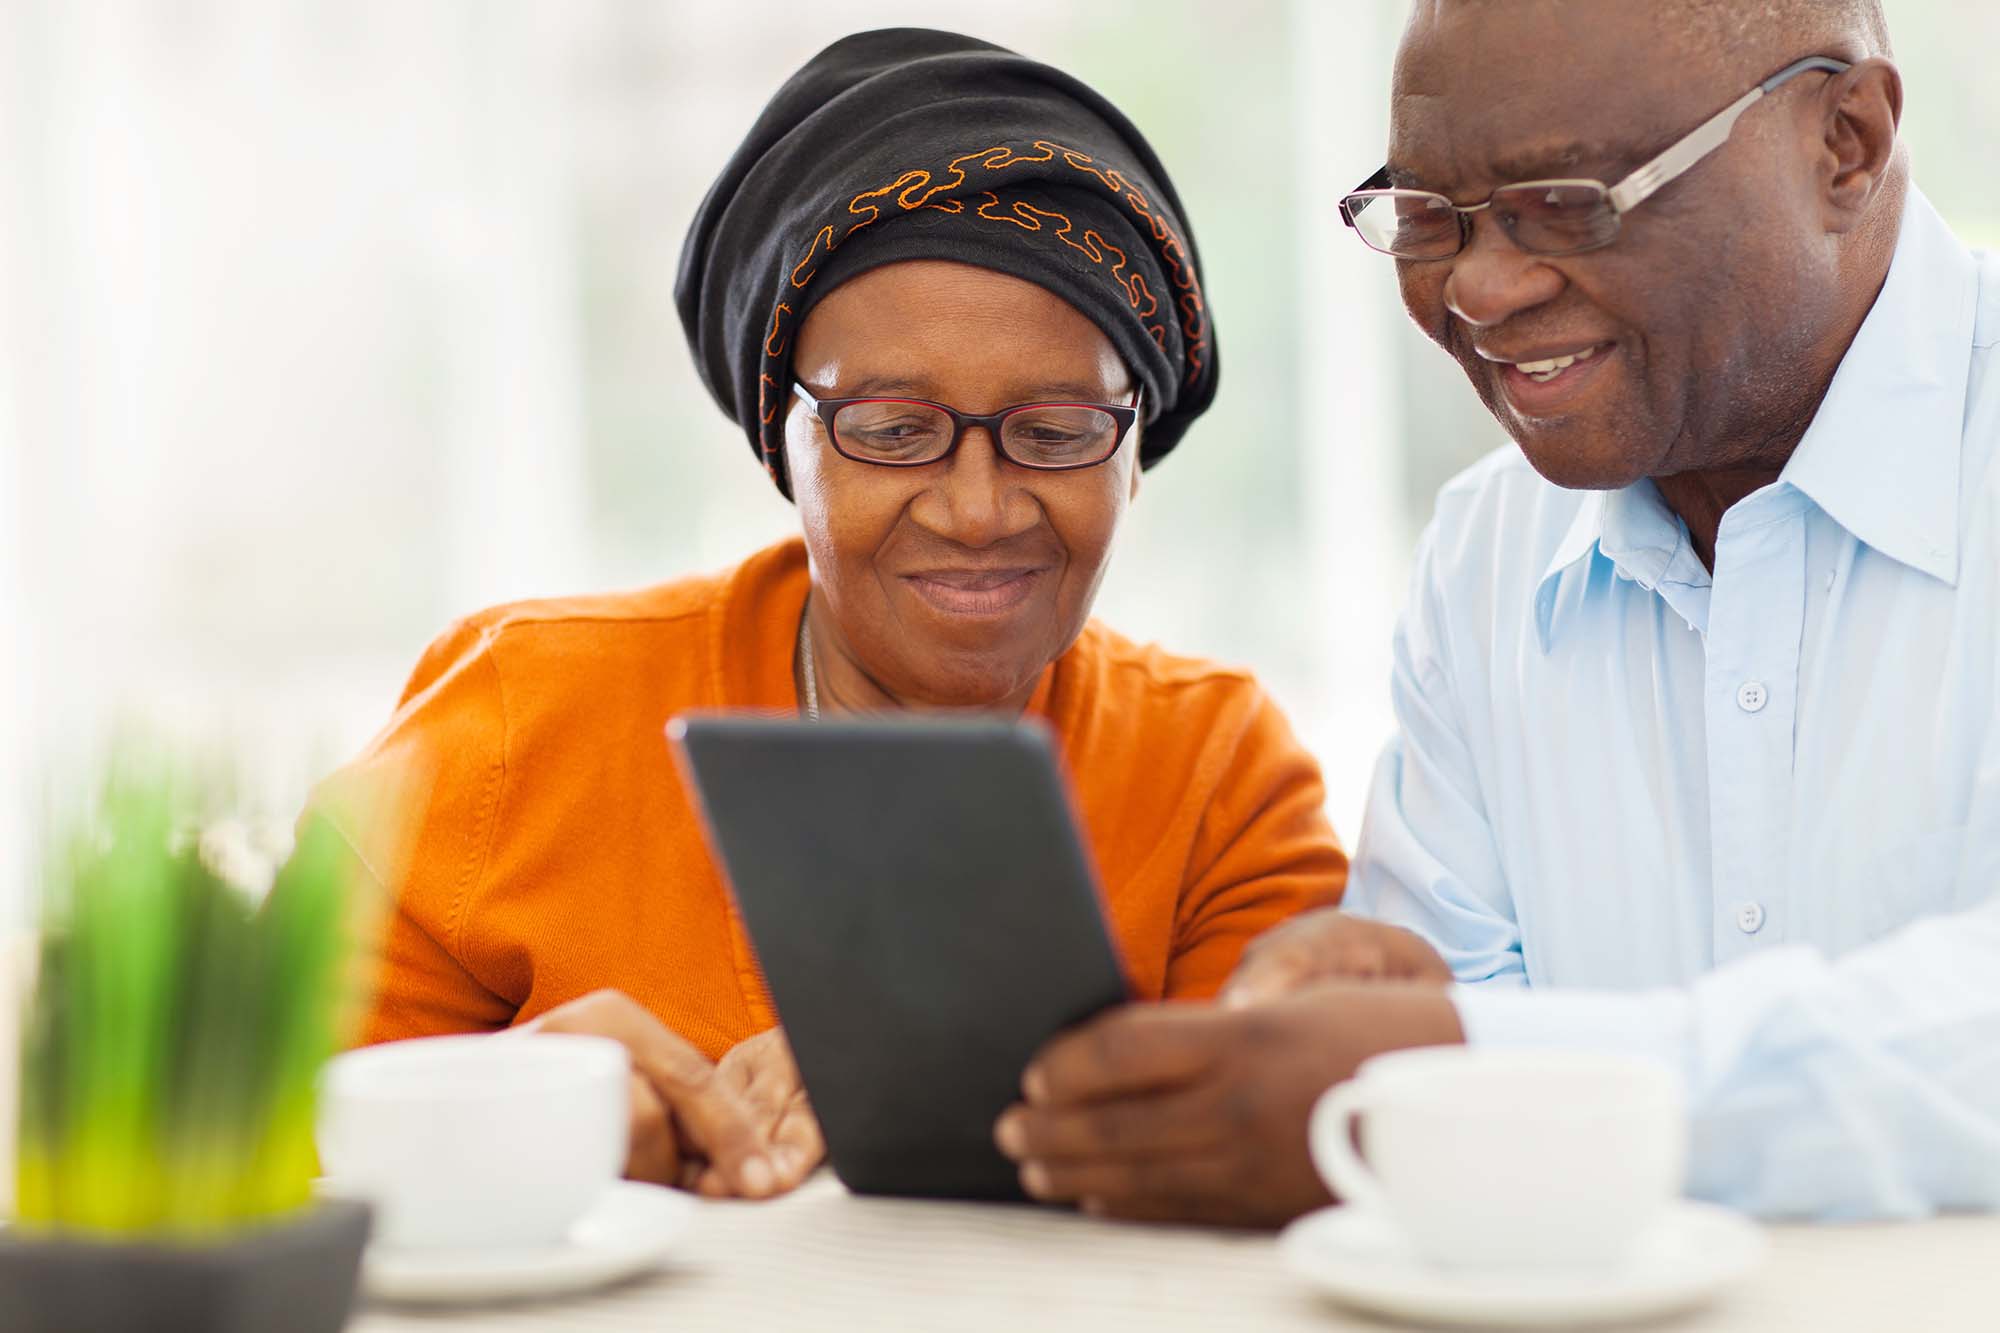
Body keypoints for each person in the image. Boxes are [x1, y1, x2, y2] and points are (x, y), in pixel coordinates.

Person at [994, 0, 2000, 1226]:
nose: (1475, 287)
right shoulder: (1488, 551)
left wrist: (1465, 1059)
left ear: (1841, 141)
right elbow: (1433, 1022)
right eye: (1425, 218)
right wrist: (1360, 1012)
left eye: (1568, 201)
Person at [314, 28, 1346, 1200]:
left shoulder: (1217, 777)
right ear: (782, 445)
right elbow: (238, 1134)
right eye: (891, 429)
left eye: (1056, 432)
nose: (975, 508)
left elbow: (1276, 1176)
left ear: (1134, 453)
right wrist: (523, 1107)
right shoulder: (519, 717)